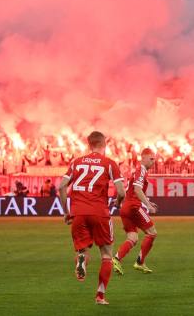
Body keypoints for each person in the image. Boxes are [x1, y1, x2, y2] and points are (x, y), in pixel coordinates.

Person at [57, 131, 126, 306]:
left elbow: (62, 186)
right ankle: (100, 296)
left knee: (82, 251)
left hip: (78, 213)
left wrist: (66, 212)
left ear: (89, 144)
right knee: (106, 255)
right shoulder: (109, 163)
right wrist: (118, 203)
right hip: (100, 212)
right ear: (104, 144)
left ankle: (81, 261)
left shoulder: (76, 162)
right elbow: (121, 191)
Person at [113, 148, 159, 275]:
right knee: (152, 233)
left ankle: (116, 258)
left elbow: (131, 191)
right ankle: (140, 262)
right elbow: (137, 190)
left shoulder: (138, 171)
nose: (153, 162)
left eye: (154, 159)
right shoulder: (141, 170)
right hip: (134, 207)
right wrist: (148, 205)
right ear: (143, 158)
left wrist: (148, 201)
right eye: (151, 159)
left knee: (132, 237)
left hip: (126, 207)